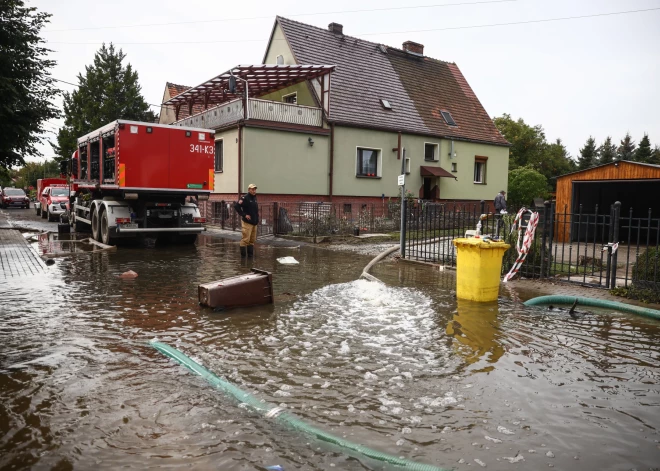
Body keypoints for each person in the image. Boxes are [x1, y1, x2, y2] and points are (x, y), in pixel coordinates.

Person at [234, 183, 259, 257]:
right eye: (252, 189)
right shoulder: (245, 198)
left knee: (252, 240)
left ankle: (250, 257)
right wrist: (244, 215)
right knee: (245, 239)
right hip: (247, 223)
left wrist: (257, 219)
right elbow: (236, 206)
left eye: (255, 189)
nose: (254, 191)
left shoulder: (254, 197)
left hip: (254, 222)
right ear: (249, 190)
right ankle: (243, 257)